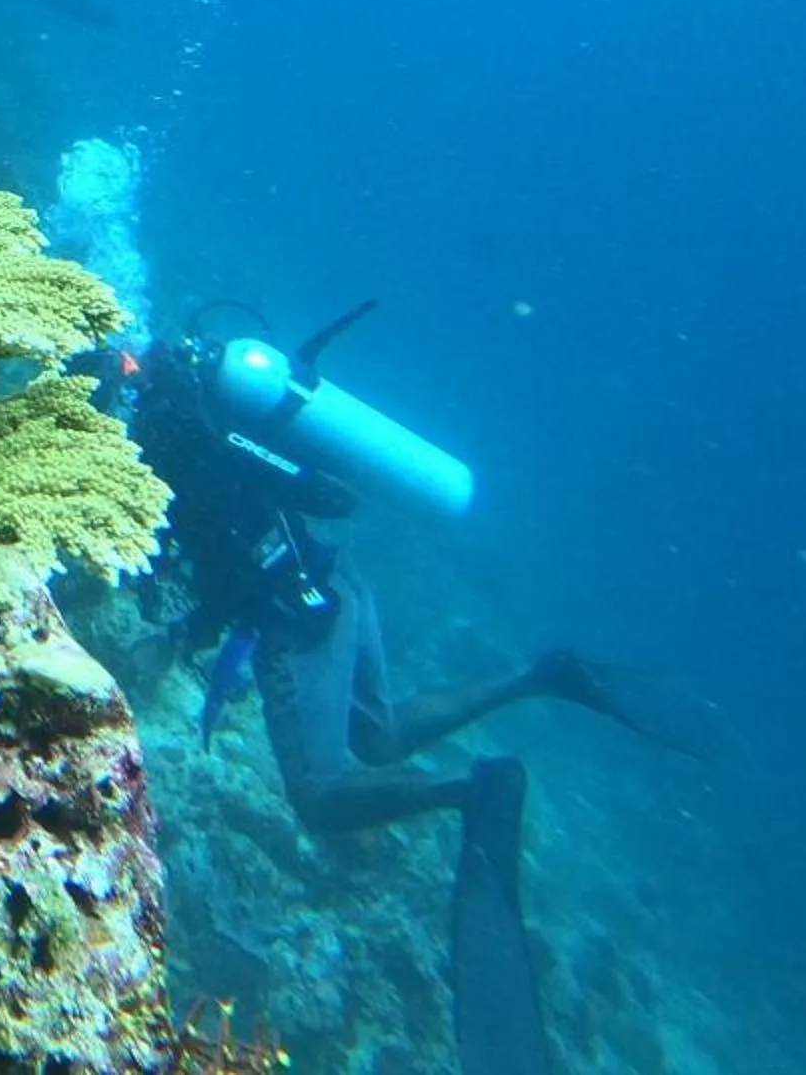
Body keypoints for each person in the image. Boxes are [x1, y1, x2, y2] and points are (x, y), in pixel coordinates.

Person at [127, 302, 730, 1075]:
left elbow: (235, 551)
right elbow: (274, 517)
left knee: (319, 792)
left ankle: (474, 794)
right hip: (341, 586)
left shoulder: (175, 430)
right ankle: (540, 675)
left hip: (299, 616)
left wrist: (191, 622)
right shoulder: (206, 404)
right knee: (375, 738)